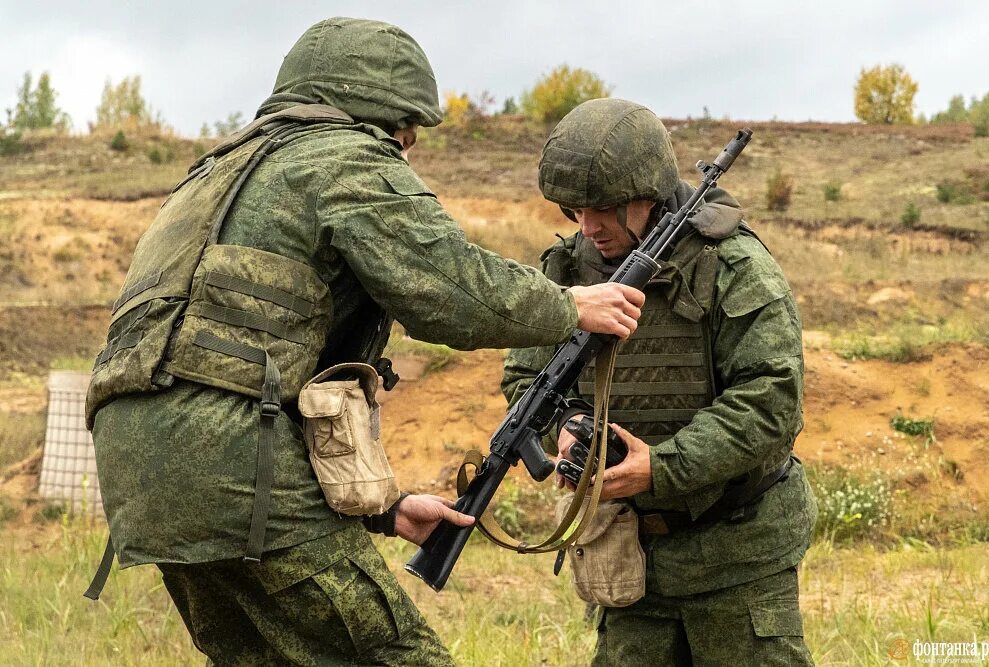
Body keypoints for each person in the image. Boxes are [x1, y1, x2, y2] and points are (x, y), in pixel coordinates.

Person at [84, 19, 644, 666]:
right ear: (380, 115)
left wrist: (386, 506)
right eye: (406, 133)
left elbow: (248, 360)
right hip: (234, 462)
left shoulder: (211, 176)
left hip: (138, 468)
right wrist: (571, 304)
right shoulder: (344, 157)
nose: (407, 148)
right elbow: (452, 289)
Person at [502, 98, 817, 666]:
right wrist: (567, 429)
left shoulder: (732, 266)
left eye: (604, 208)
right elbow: (527, 378)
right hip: (629, 563)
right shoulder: (566, 273)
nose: (588, 226)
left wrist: (663, 468)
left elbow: (772, 398)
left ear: (646, 194)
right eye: (574, 209)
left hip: (735, 559)